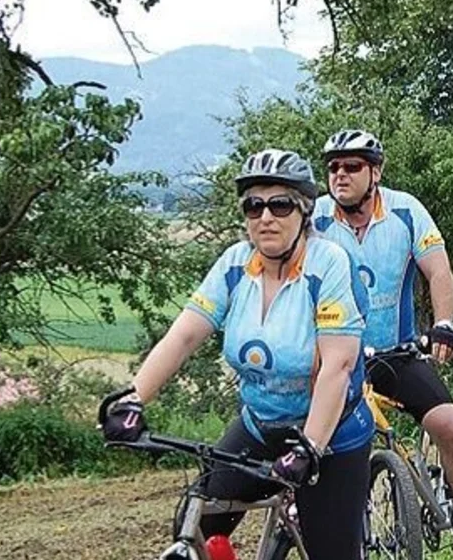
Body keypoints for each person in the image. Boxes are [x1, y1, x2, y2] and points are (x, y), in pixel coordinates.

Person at [97, 149, 373, 560]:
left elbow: (338, 365)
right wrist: (134, 397)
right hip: (260, 426)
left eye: (280, 205)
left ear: (304, 211)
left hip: (330, 438)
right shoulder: (235, 264)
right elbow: (184, 336)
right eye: (253, 205)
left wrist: (310, 446)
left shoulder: (329, 263)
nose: (265, 217)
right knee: (193, 526)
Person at [312, 129, 453, 559]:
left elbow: (438, 272)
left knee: (449, 426)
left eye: (352, 166)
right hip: (334, 360)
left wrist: (443, 323)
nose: (340, 175)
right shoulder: (315, 220)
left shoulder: (405, 211)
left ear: (375, 172)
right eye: (333, 168)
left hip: (396, 354)